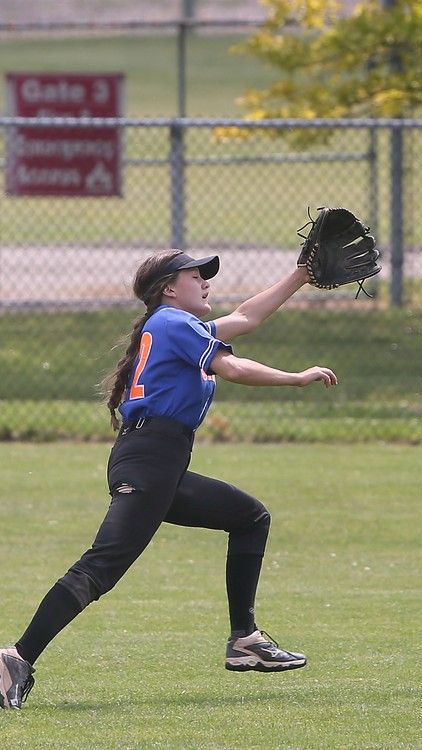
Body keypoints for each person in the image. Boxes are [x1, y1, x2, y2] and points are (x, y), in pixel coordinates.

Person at [1, 250, 336, 710]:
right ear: (168, 289)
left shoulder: (178, 327)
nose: (206, 283)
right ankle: (15, 658)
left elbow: (245, 316)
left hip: (160, 461)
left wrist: (300, 276)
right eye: (196, 276)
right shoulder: (172, 323)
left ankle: (245, 639)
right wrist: (297, 378)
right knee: (99, 569)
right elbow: (234, 368)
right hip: (150, 460)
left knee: (250, 517)